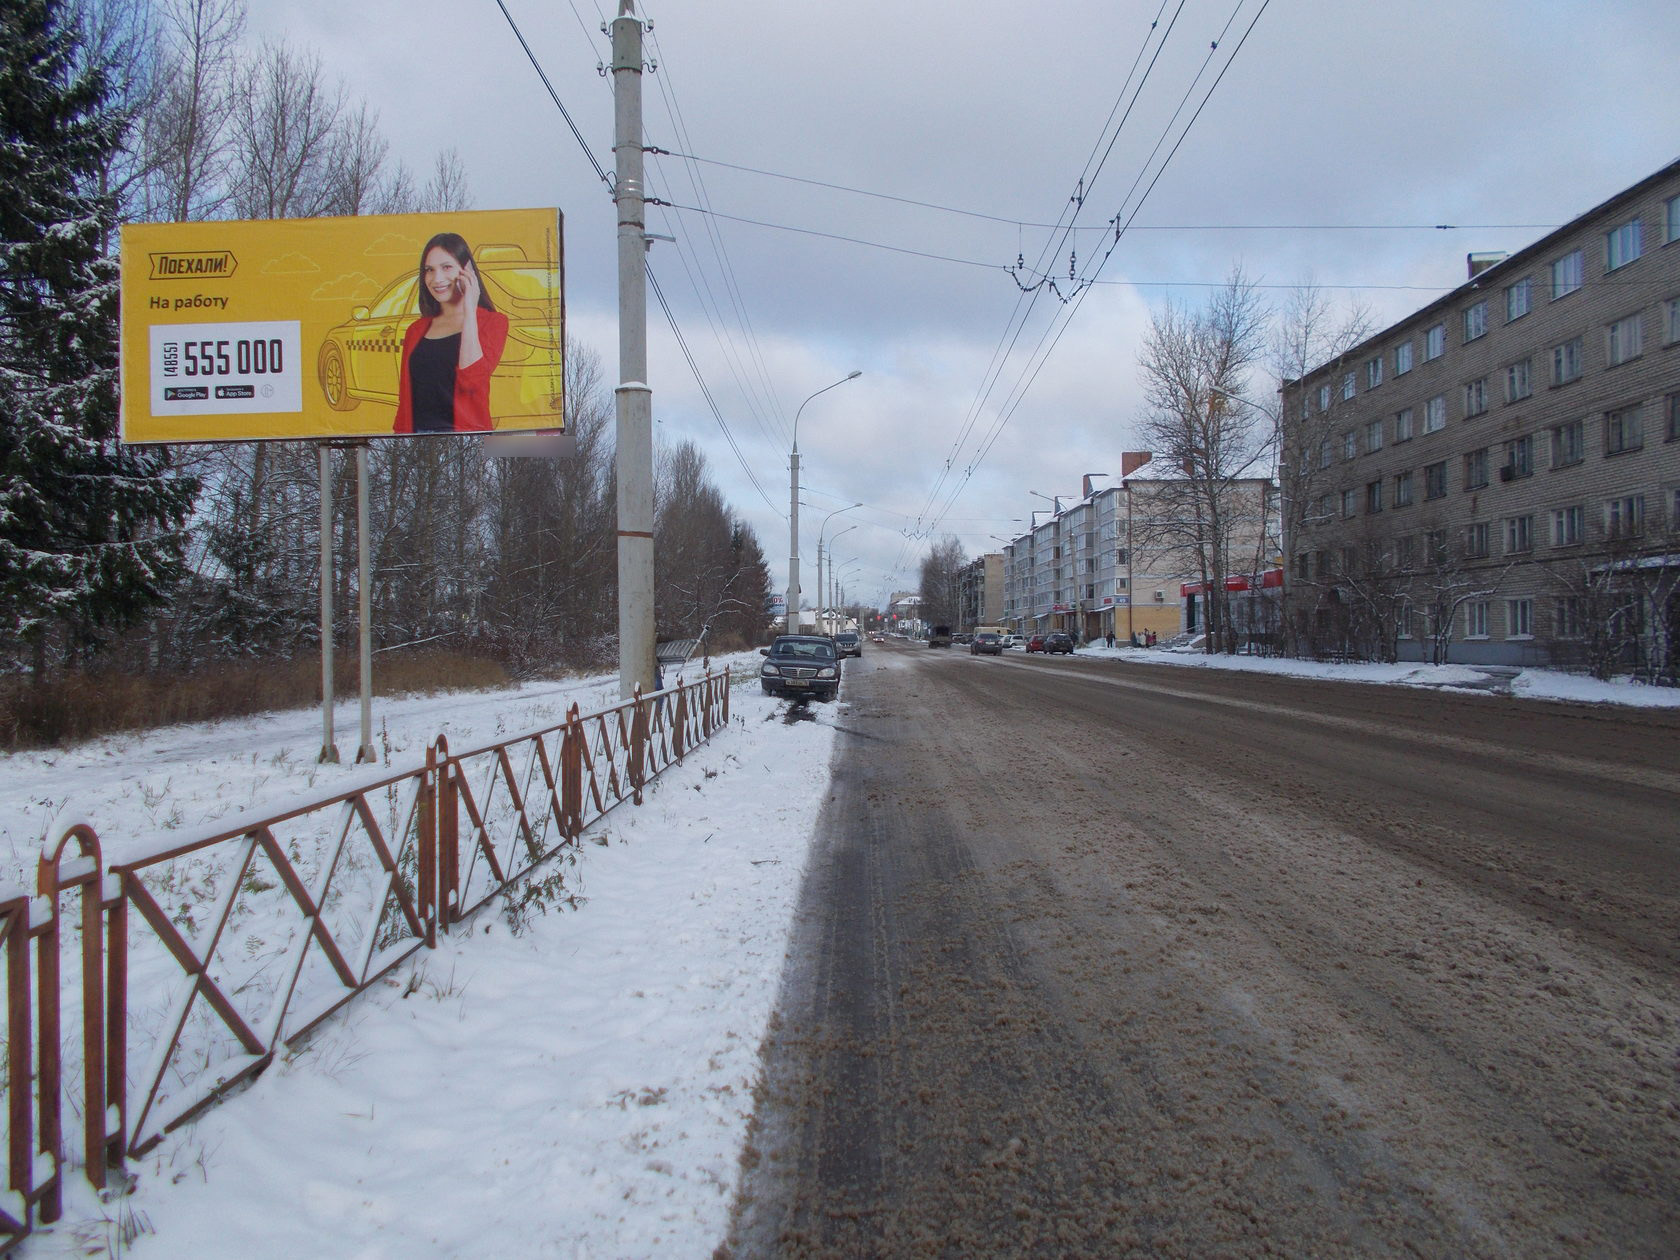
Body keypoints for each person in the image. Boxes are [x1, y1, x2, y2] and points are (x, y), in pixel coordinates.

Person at [392, 232, 509, 433]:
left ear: (467, 271)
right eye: (429, 270)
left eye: (446, 267)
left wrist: (469, 309)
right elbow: (405, 399)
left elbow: (472, 381)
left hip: (466, 443)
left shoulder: (493, 322)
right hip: (416, 443)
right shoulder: (415, 330)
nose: (436, 279)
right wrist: (401, 441)